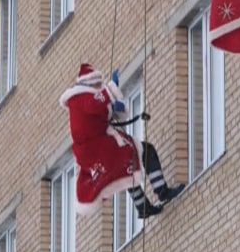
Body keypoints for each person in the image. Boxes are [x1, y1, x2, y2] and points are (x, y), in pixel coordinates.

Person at [60, 64, 181, 218]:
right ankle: (162, 191)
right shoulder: (80, 98)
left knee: (123, 169)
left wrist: (114, 107)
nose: (99, 86)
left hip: (97, 150)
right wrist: (111, 88)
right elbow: (95, 104)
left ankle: (143, 206)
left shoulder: (83, 101)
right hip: (99, 149)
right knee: (143, 153)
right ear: (90, 83)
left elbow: (99, 112)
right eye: (97, 84)